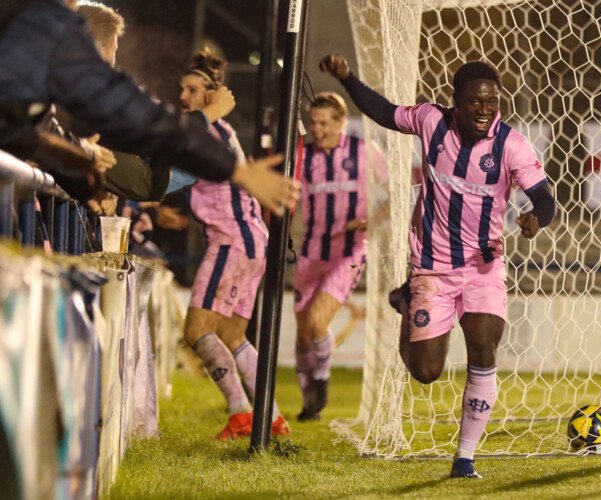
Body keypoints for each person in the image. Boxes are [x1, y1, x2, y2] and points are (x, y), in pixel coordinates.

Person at [319, 53, 556, 478]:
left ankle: (464, 457)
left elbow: (545, 197)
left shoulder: (512, 144)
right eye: (475, 102)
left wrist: (535, 218)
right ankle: (408, 302)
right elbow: (383, 111)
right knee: (427, 372)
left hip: (484, 268)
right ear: (456, 102)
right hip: (432, 267)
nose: (485, 110)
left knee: (484, 345)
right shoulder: (431, 121)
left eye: (491, 102)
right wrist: (348, 78)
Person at [0, 0, 297, 215]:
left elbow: (16, 125)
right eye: (110, 56)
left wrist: (69, 158)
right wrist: (233, 168)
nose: (113, 66)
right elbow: (131, 113)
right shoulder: (43, 22)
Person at [180, 49, 290, 440]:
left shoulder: (204, 132)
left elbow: (173, 169)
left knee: (196, 330)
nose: (183, 97)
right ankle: (272, 417)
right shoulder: (224, 130)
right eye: (182, 89)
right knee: (232, 336)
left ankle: (241, 412)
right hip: (251, 239)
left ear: (211, 95)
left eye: (192, 90)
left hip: (231, 240)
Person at [293, 92, 382, 421]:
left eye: (324, 123)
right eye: (313, 122)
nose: (317, 129)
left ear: (341, 122)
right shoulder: (305, 156)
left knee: (318, 322)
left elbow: (396, 190)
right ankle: (309, 404)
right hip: (311, 252)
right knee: (303, 332)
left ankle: (322, 378)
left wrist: (373, 221)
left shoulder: (363, 152)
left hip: (350, 251)